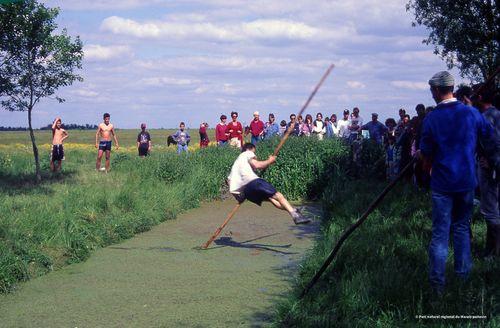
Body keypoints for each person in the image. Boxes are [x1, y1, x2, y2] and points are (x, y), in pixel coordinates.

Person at [419, 71, 492, 294]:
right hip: (466, 181)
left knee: (440, 234)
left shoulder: (431, 118)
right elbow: (488, 134)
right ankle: (463, 281)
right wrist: (474, 110)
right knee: (461, 229)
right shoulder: (470, 113)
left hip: (442, 183)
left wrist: (422, 161)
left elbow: (426, 152)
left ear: (436, 91)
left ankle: (437, 286)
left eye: (432, 90)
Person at [228, 142, 311, 225]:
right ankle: (296, 216)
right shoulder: (247, 153)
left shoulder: (236, 164)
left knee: (272, 199)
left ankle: (294, 210)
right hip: (253, 182)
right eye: (254, 152)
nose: (254, 155)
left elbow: (230, 181)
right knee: (278, 196)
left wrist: (239, 197)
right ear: (249, 149)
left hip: (246, 192)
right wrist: (269, 160)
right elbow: (257, 165)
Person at [471, 84, 500, 257]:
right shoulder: (496, 114)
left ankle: (493, 253)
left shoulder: (487, 117)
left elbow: (494, 143)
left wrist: (491, 161)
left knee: (491, 210)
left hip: (492, 170)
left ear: (480, 98)